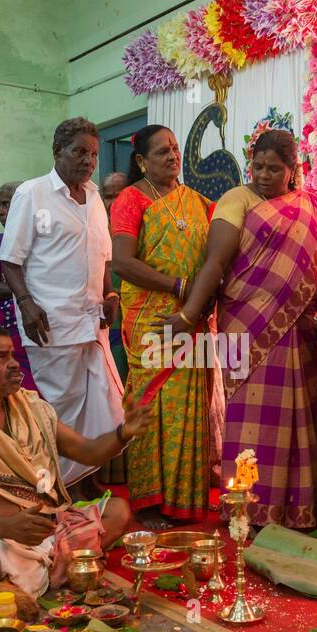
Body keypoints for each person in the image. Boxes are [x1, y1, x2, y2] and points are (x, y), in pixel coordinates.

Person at [0, 326, 146, 598]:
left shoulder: (32, 408)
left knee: (117, 511)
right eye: (1, 358)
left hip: (48, 532)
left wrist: (123, 433)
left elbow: (89, 451)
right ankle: (53, 566)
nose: (13, 364)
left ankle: (34, 571)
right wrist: (6, 527)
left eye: (12, 355)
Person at [165, 130, 317, 529]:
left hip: (294, 326)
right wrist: (187, 316)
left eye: (275, 168)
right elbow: (216, 264)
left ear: (292, 171)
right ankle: (248, 507)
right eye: (258, 166)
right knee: (249, 416)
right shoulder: (237, 199)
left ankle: (292, 509)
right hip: (245, 320)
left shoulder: (308, 205)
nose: (264, 175)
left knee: (295, 412)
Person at [0, 117, 125, 497]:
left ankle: (83, 476)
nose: (88, 161)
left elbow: (102, 257)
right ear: (57, 152)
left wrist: (110, 295)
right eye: (79, 152)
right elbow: (10, 259)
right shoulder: (32, 194)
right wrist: (26, 303)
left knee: (103, 406)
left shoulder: (95, 200)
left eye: (93, 154)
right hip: (51, 322)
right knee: (62, 409)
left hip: (92, 323)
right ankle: (62, 486)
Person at [111, 126, 214, 529]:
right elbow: (123, 262)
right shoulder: (130, 199)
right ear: (141, 161)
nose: (172, 156)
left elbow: (214, 259)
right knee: (151, 404)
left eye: (174, 148)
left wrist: (197, 303)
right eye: (161, 152)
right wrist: (179, 286)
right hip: (151, 320)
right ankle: (149, 503)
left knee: (189, 404)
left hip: (191, 319)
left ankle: (185, 499)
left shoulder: (200, 204)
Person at [0, 181, 37, 391]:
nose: (1, 211)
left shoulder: (40, 240)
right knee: (23, 386)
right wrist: (32, 290)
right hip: (14, 327)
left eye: (6, 204)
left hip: (43, 324)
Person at [100, 171, 131, 487]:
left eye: (119, 193)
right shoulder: (96, 229)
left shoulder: (136, 228)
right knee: (107, 395)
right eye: (107, 195)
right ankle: (110, 470)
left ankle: (133, 468)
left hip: (134, 323)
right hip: (104, 322)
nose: (114, 201)